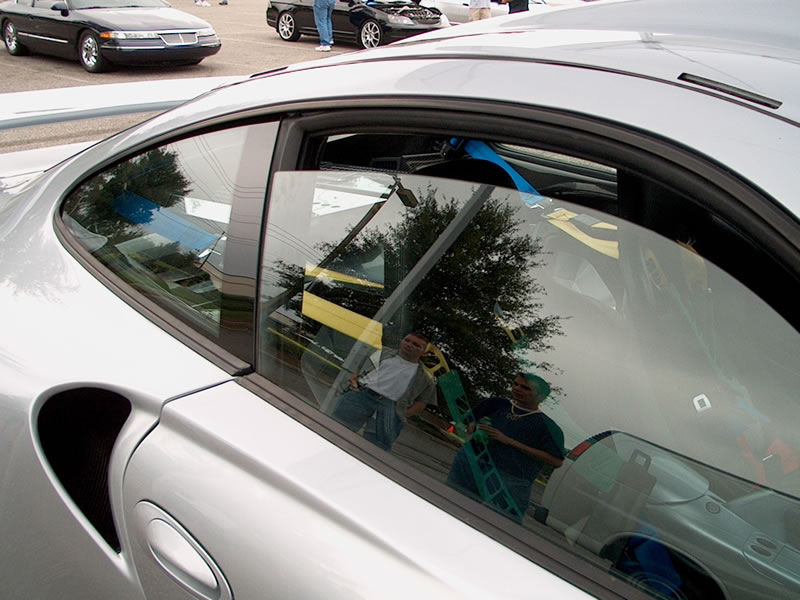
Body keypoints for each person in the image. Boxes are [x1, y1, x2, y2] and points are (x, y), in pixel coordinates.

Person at [446, 372, 564, 517]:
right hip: (470, 463)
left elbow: (556, 461)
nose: (517, 389)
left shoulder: (547, 426)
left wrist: (510, 442)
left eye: (526, 388)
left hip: (508, 480)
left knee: (493, 522)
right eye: (515, 384)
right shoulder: (496, 404)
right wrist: (473, 428)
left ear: (541, 397)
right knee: (448, 506)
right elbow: (469, 421)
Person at [332, 333, 438, 450]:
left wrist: (402, 413)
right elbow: (357, 365)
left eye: (416, 345)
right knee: (336, 431)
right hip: (362, 395)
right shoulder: (380, 352)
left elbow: (422, 401)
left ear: (424, 353)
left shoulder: (426, 377)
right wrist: (354, 385)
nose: (409, 345)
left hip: (391, 408)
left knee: (375, 448)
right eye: (407, 340)